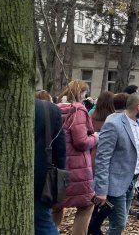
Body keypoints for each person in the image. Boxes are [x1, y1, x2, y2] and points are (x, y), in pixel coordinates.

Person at [92, 93, 139, 235]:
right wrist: (102, 190)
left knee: (121, 223)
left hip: (131, 181)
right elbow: (102, 158)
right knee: (118, 225)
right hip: (115, 184)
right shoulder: (113, 125)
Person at [51, 80, 99, 235]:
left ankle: (51, 231)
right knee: (86, 204)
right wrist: (96, 137)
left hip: (57, 164)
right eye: (85, 93)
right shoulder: (78, 109)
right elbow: (82, 142)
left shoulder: (55, 109)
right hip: (78, 167)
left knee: (57, 203)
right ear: (81, 93)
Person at [35, 97, 66, 235]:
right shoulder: (50, 109)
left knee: (42, 222)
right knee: (43, 222)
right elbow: (60, 149)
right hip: (40, 175)